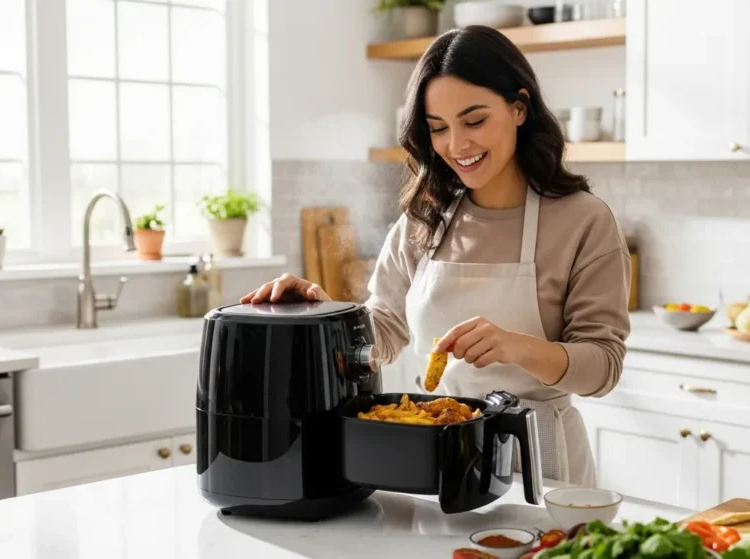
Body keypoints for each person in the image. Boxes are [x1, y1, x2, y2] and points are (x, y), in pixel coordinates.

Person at [241, 25, 631, 487]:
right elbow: (381, 332)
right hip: (442, 451)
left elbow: (602, 368)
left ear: (519, 108)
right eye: (438, 129)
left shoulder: (582, 221)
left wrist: (517, 346)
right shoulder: (424, 220)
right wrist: (322, 316)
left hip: (542, 461)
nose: (457, 146)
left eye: (474, 121)